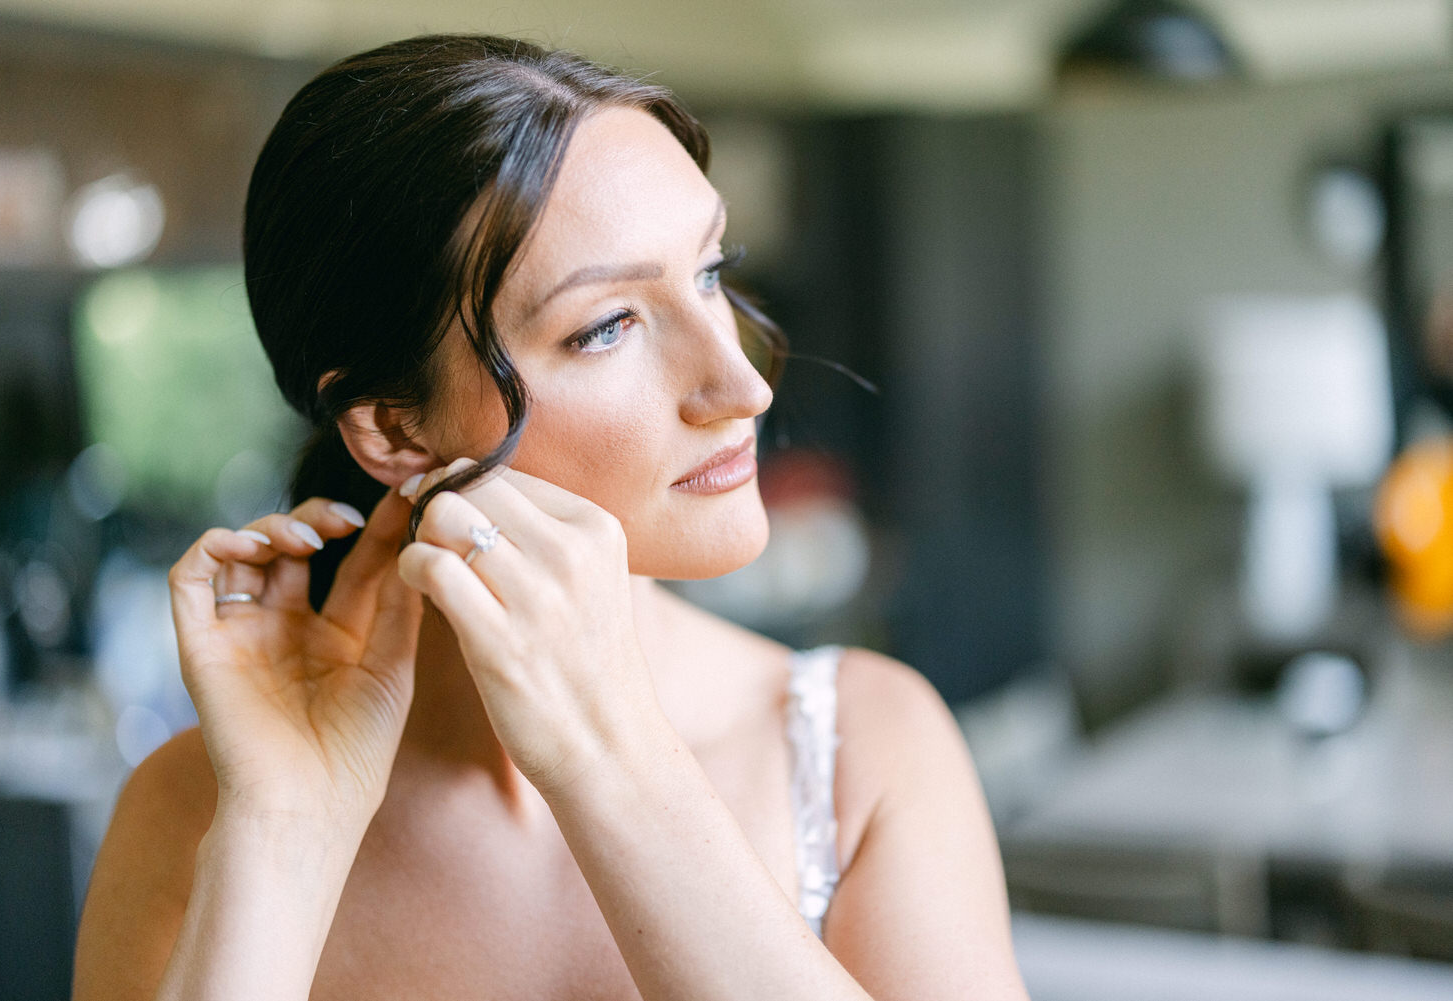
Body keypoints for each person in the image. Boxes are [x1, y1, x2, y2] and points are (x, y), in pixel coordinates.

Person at [71, 34, 1030, 1001]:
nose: (740, 384)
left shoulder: (860, 748)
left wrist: (610, 760)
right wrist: (282, 834)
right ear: (396, 427)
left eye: (708, 272)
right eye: (605, 326)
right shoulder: (195, 814)